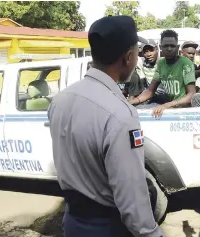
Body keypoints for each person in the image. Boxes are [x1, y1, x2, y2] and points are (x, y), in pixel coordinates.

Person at [47, 16, 163, 237]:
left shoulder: (61, 100)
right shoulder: (120, 113)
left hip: (73, 221)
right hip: (107, 227)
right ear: (128, 57)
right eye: (136, 52)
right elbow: (132, 196)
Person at [129, 30, 196, 118]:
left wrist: (167, 105)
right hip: (169, 106)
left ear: (177, 47)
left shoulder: (186, 64)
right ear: (160, 47)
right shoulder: (161, 64)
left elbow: (191, 94)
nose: (169, 49)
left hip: (183, 109)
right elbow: (150, 91)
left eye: (172, 46)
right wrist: (134, 101)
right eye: (166, 46)